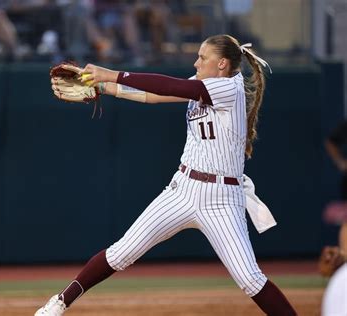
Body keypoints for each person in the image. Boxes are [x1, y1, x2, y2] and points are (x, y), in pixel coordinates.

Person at [36, 34, 297, 315]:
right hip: (182, 189)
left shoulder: (228, 89)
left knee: (250, 279)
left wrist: (111, 74)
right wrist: (105, 87)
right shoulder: (203, 85)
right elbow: (154, 95)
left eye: (202, 57)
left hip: (222, 199)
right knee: (122, 251)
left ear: (222, 64)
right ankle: (60, 302)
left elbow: (169, 84)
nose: (196, 62)